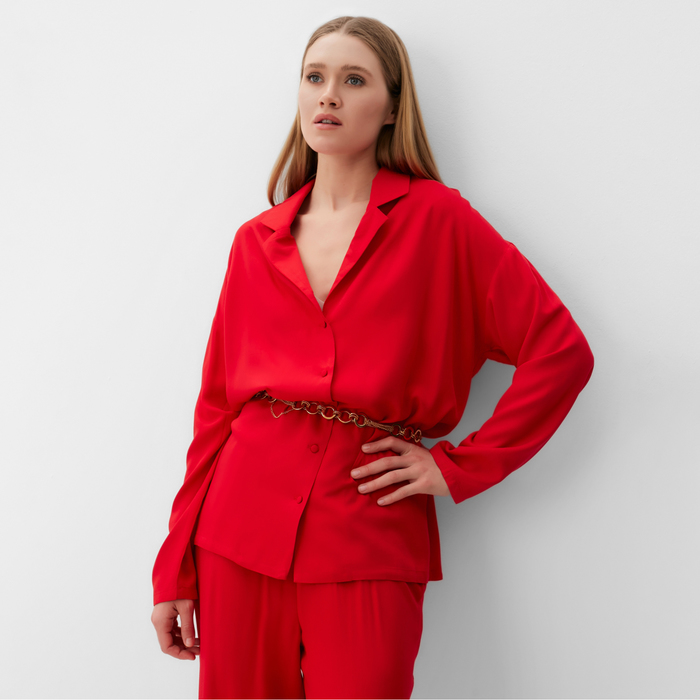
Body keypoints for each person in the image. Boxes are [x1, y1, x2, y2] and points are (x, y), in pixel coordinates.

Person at [150, 15, 594, 700]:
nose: (328, 94)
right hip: (238, 529)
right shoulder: (255, 242)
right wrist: (174, 568)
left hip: (368, 524)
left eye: (354, 80)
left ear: (391, 108)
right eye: (315, 77)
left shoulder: (440, 222)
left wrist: (458, 466)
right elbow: (216, 410)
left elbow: (560, 351)